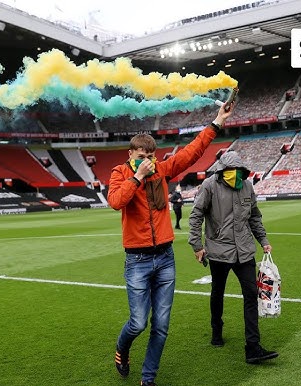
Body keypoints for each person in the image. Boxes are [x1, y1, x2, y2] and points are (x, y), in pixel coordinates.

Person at [108, 102, 234, 386]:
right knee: (139, 323)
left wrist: (216, 121)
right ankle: (122, 349)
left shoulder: (163, 170)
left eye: (151, 156)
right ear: (131, 155)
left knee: (161, 327)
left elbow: (192, 152)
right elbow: (116, 202)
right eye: (141, 156)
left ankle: (148, 378)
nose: (148, 161)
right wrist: (137, 177)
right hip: (137, 261)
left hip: (165, 257)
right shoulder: (120, 173)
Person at [187, 150, 279, 365]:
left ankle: (253, 347)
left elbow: (254, 216)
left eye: (237, 171)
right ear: (222, 170)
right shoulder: (210, 185)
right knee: (217, 292)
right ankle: (216, 330)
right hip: (219, 250)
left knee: (251, 294)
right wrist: (197, 246)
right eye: (230, 171)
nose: (234, 174)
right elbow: (196, 215)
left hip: (244, 250)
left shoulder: (247, 186)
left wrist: (263, 240)